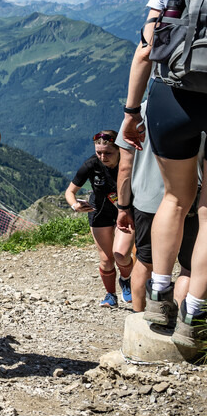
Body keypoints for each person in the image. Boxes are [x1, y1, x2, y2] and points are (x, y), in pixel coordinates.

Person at [121, 0, 207, 351]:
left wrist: (131, 112)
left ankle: (158, 296)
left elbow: (146, 49)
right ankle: (195, 314)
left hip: (171, 99)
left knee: (175, 199)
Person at [114, 110, 199, 312]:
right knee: (188, 268)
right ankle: (179, 322)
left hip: (148, 200)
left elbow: (125, 167)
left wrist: (123, 208)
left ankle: (140, 318)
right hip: (189, 200)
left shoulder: (138, 114)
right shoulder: (197, 107)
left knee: (145, 262)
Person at [64, 130, 135, 307]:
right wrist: (75, 205)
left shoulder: (130, 162)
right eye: (99, 153)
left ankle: (126, 280)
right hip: (99, 212)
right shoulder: (91, 164)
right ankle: (111, 295)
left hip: (125, 212)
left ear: (119, 149)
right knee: (106, 260)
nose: (103, 157)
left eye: (108, 153)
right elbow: (70, 191)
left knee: (121, 255)